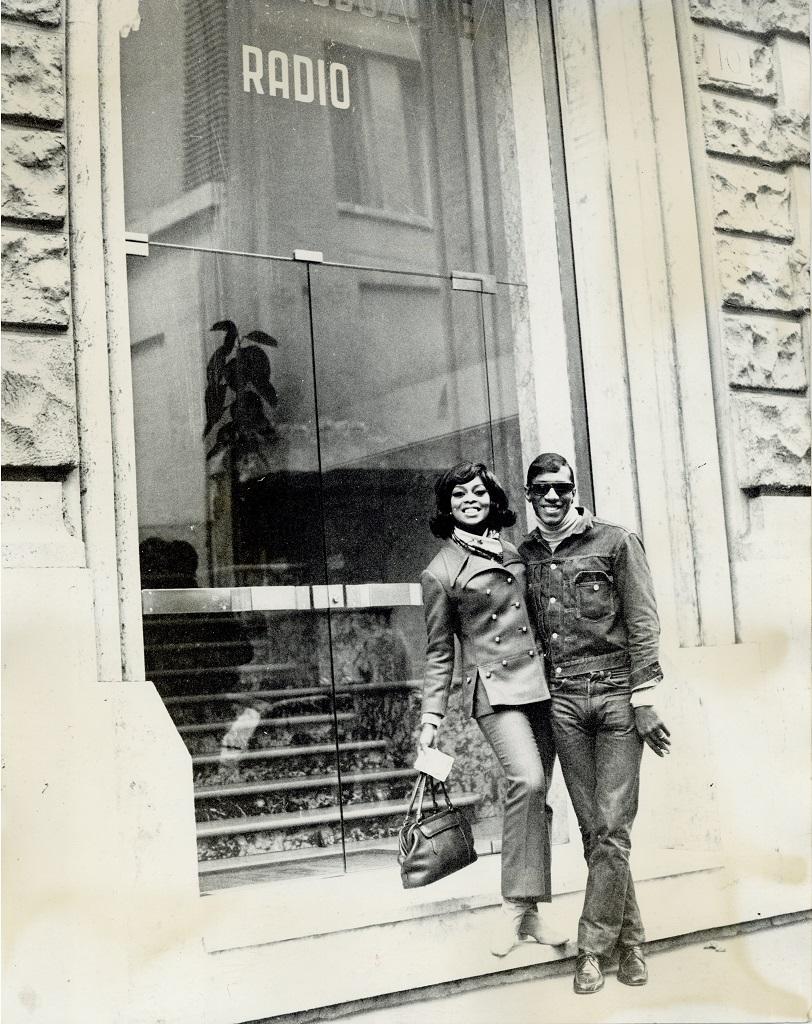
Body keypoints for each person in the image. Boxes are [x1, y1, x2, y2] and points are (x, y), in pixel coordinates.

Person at [518, 452, 671, 994]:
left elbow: (643, 620)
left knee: (611, 826)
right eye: (541, 490)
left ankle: (591, 950)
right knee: (595, 832)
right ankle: (631, 942)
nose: (552, 498)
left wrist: (646, 696)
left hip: (616, 697)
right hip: (561, 699)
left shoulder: (615, 541)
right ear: (529, 496)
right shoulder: (526, 555)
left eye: (561, 488)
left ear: (574, 490)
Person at [417, 461, 567, 956]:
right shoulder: (440, 572)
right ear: (448, 506)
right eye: (459, 495)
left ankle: (531, 916)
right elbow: (439, 651)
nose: (471, 501)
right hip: (495, 689)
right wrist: (431, 717)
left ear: (492, 498)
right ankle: (511, 911)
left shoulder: (513, 551)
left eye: (478, 492)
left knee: (537, 797)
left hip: (539, 684)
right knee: (527, 781)